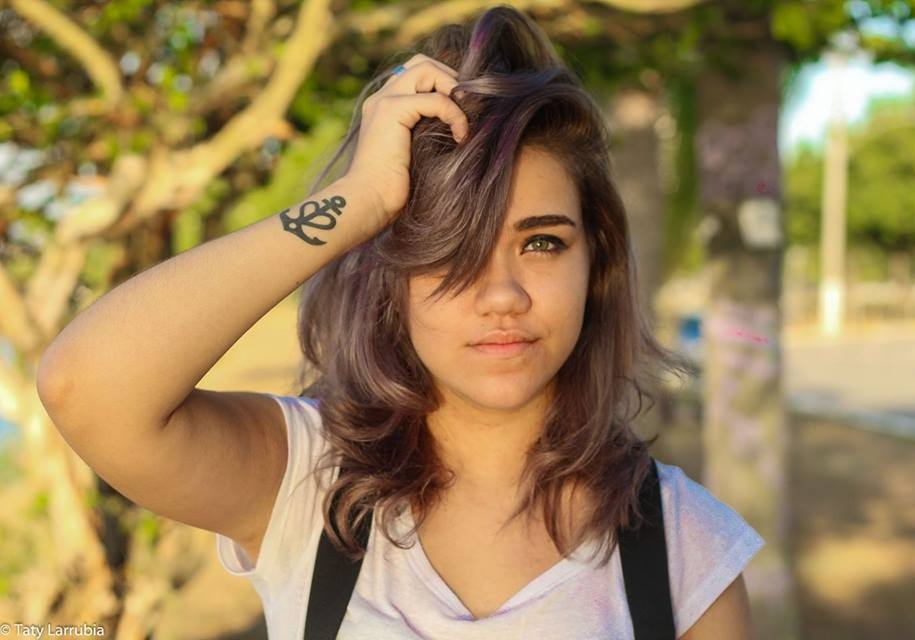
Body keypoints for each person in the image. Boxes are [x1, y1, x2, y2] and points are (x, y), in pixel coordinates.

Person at [37, 6, 764, 639]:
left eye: (541, 243)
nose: (502, 295)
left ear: (594, 262)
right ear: (391, 276)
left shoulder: (685, 544)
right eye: (450, 250)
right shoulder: (306, 484)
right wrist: (359, 200)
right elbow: (85, 387)